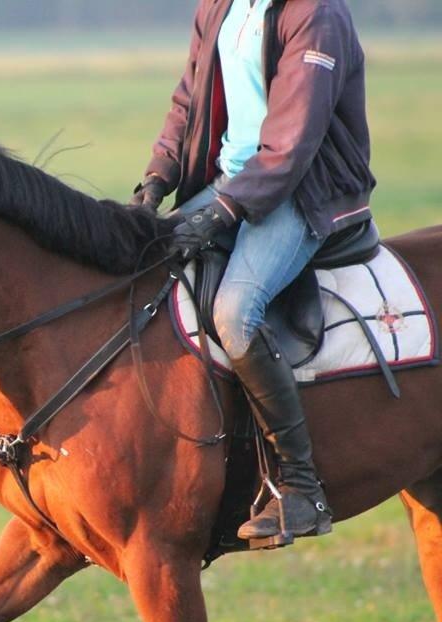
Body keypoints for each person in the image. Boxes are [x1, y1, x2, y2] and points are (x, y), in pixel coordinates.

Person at [131, 0, 376, 540]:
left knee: (236, 313)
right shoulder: (219, 6)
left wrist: (222, 213)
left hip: (302, 191)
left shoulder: (316, 14)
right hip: (227, 184)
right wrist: (157, 177)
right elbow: (187, 98)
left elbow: (293, 143)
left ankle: (302, 489)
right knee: (133, 262)